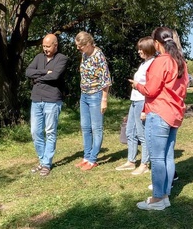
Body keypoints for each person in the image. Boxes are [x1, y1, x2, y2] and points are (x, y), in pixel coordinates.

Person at [129, 26, 189, 210]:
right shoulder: (181, 62)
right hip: (174, 114)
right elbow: (184, 87)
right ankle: (165, 194)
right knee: (167, 157)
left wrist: (137, 85)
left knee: (156, 158)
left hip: (159, 113)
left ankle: (158, 198)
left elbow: (151, 90)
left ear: (156, 43)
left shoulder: (160, 62)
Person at [25, 34, 68, 176]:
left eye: (48, 46)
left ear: (55, 45)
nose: (45, 49)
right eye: (44, 46)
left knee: (50, 132)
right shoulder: (38, 58)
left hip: (52, 100)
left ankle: (46, 163)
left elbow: (55, 76)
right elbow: (28, 72)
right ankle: (43, 161)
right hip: (36, 99)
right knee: (35, 132)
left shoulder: (62, 58)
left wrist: (38, 79)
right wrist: (44, 72)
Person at [115, 37, 156, 174]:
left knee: (141, 133)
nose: (139, 51)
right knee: (129, 131)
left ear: (149, 49)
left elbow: (150, 87)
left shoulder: (153, 64)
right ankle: (131, 161)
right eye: (138, 49)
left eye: (141, 49)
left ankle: (144, 164)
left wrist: (145, 108)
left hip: (142, 101)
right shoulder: (144, 64)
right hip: (134, 100)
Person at [73, 31, 112, 171]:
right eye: (77, 46)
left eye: (80, 46)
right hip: (84, 95)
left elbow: (106, 80)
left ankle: (93, 159)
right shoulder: (84, 55)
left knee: (96, 128)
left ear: (88, 44)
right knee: (85, 127)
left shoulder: (98, 56)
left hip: (96, 96)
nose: (78, 49)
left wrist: (104, 100)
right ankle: (86, 156)